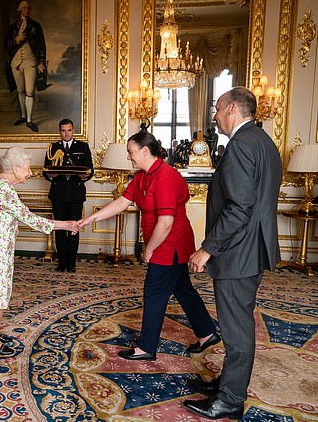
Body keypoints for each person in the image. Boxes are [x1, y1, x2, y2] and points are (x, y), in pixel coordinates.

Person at [184, 87, 282, 420]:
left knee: (237, 328)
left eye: (217, 110)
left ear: (231, 109)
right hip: (253, 248)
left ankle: (230, 399)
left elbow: (240, 208)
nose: (214, 117)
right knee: (238, 322)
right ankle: (230, 382)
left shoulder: (240, 145)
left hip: (238, 252)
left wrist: (206, 250)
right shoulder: (264, 142)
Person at [78, 131, 219, 361]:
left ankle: (146, 347)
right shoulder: (143, 176)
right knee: (183, 290)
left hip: (170, 243)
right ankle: (207, 334)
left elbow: (166, 223)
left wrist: (149, 249)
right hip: (166, 242)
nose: (129, 157)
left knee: (153, 294)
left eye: (131, 152)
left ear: (145, 151)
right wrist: (90, 219)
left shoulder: (166, 177)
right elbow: (121, 203)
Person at [0, 147, 78, 356]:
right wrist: (66, 225)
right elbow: (30, 219)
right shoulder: (4, 189)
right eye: (27, 168)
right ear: (15, 168)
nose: (30, 173)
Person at [43, 119, 94, 272]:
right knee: (59, 229)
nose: (66, 133)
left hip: (75, 194)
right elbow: (46, 171)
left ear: (73, 130)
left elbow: (90, 170)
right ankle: (61, 262)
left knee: (73, 229)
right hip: (58, 194)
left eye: (69, 130)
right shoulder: (53, 148)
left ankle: (71, 263)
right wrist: (52, 175)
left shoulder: (82, 147)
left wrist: (85, 177)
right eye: (63, 130)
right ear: (60, 131)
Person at [5, 0, 46, 133]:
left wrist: (41, 62)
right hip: (16, 63)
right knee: (21, 90)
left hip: (30, 62)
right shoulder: (13, 27)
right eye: (24, 8)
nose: (26, 10)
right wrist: (16, 40)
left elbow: (41, 46)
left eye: (28, 8)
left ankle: (29, 120)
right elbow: (6, 44)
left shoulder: (35, 26)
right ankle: (23, 115)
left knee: (30, 91)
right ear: (19, 10)